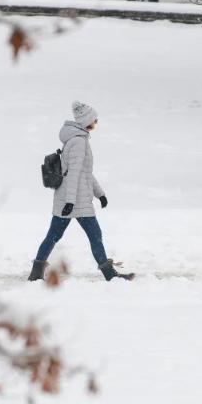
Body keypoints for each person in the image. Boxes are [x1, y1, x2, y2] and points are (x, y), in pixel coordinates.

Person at [28, 101, 134, 282]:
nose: (96, 123)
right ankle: (110, 275)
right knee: (94, 236)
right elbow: (75, 174)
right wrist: (70, 202)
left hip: (71, 199)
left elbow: (85, 173)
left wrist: (100, 193)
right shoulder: (78, 142)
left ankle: (36, 273)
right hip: (76, 201)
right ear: (86, 121)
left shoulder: (77, 139)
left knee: (54, 236)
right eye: (94, 120)